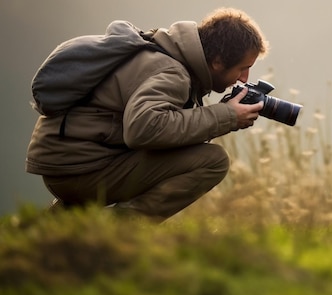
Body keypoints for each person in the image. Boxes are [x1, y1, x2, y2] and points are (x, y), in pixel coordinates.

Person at [25, 8, 269, 222]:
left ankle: (60, 221)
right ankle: (120, 230)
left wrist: (223, 117)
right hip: (77, 170)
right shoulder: (173, 73)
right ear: (217, 61)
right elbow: (144, 129)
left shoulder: (164, 52)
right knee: (213, 161)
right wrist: (225, 116)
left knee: (180, 149)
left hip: (70, 163)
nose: (244, 79)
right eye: (243, 68)